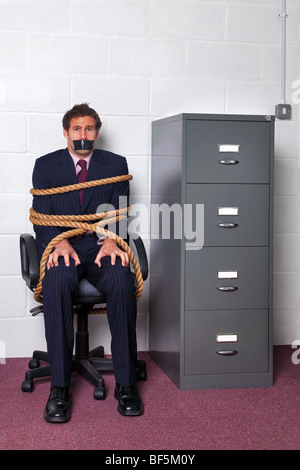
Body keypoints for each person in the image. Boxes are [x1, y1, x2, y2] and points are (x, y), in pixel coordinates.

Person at [32, 103, 143, 422]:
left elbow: (120, 212)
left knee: (122, 279)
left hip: (99, 245)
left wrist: (112, 238)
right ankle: (59, 389)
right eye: (77, 129)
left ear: (97, 132)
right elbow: (41, 216)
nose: (84, 135)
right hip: (63, 244)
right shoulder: (46, 166)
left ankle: (126, 385)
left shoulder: (115, 164)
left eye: (90, 128)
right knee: (56, 281)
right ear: (66, 132)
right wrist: (59, 241)